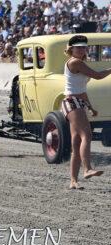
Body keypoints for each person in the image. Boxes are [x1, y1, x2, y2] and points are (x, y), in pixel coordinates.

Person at [62, 35, 111, 189]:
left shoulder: (79, 62)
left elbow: (81, 90)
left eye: (84, 47)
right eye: (79, 47)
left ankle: (73, 181)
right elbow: (97, 76)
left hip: (76, 102)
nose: (82, 50)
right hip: (72, 102)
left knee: (76, 142)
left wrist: (90, 107)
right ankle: (87, 169)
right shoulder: (75, 62)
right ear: (71, 49)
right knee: (87, 135)